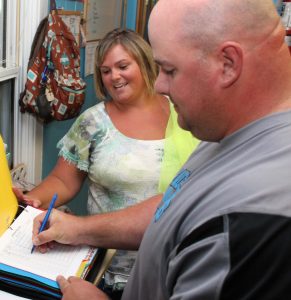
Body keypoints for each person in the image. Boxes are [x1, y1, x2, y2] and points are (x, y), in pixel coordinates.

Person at [31, 0, 291, 299]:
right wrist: (76, 228)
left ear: (228, 64)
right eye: (105, 70)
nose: (161, 85)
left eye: (169, 69)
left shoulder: (259, 217)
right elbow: (170, 207)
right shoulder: (220, 132)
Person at [15, 28, 197, 298]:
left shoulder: (184, 113)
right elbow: (63, 180)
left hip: (176, 266)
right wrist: (30, 200)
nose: (115, 77)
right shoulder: (93, 122)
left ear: (145, 63)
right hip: (107, 269)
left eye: (123, 66)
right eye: (106, 71)